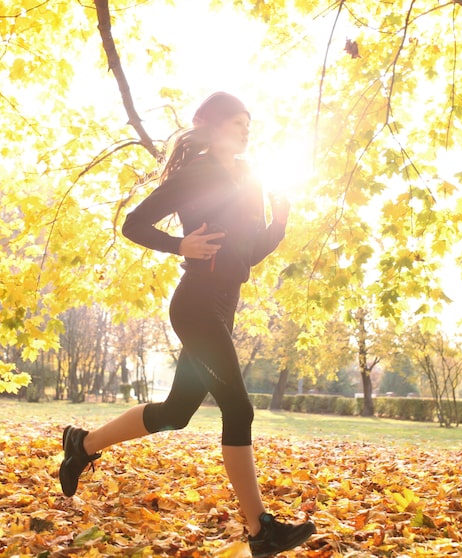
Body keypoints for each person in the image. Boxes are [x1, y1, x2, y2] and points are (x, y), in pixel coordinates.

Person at [58, 92, 315, 557]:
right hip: (196, 305)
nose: (246, 129)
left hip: (221, 306)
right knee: (240, 411)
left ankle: (83, 445)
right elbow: (134, 225)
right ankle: (262, 532)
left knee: (176, 413)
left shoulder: (249, 181)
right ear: (209, 125)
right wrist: (180, 246)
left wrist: (278, 225)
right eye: (237, 121)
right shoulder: (196, 173)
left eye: (248, 122)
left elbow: (246, 255)